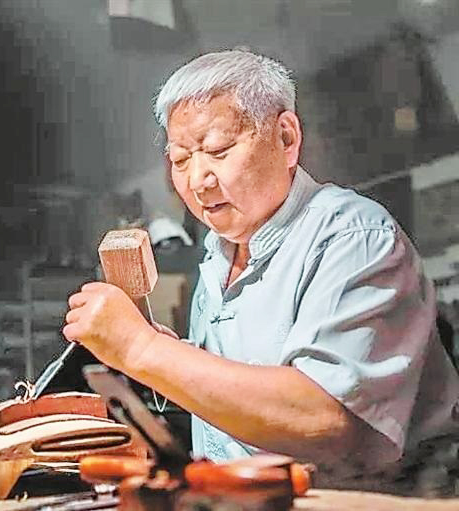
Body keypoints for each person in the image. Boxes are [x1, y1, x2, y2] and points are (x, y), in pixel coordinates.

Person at [63, 49, 459, 483]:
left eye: (218, 150)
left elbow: (326, 420)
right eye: (180, 159)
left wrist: (143, 349)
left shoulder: (352, 237)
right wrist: (171, 359)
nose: (197, 180)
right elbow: (243, 392)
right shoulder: (219, 254)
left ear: (286, 138)